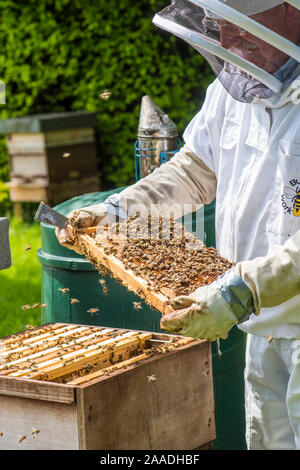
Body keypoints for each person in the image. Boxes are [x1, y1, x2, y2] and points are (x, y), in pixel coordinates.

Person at [57, 1, 300, 449]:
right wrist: (119, 211)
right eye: (216, 26)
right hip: (261, 332)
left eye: (239, 26)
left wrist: (241, 290)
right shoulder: (237, 82)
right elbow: (194, 170)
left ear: (290, 10)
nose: (226, 42)